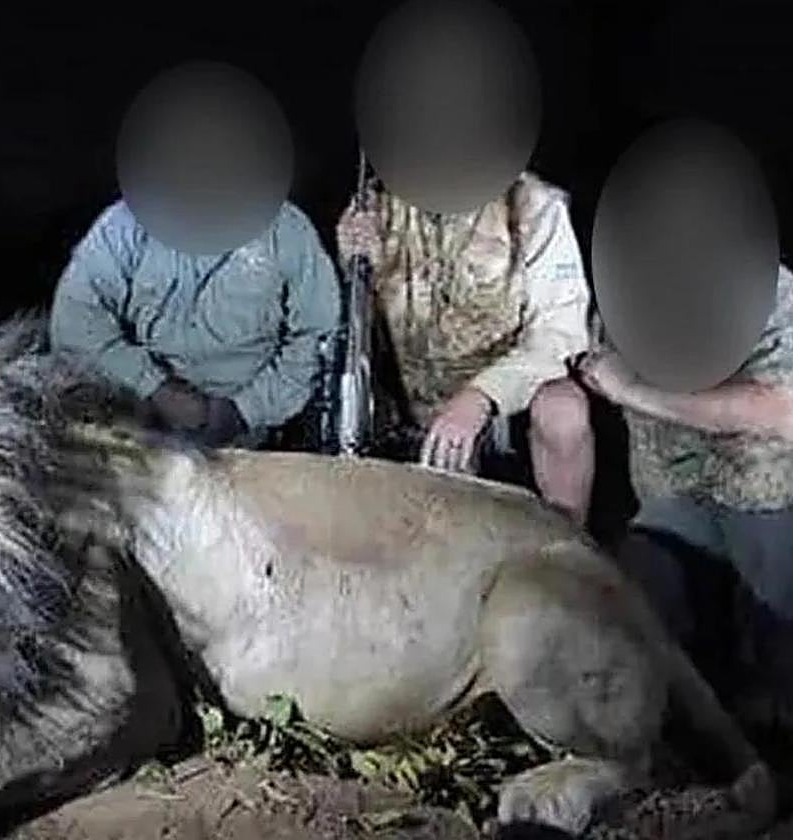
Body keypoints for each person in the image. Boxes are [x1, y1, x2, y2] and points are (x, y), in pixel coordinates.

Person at [577, 264, 793, 727]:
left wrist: (633, 390)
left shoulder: (766, 285)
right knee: (630, 623)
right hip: (667, 492)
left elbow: (778, 410)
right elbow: (590, 363)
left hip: (764, 494)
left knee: (776, 645)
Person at [336, 170, 595, 526]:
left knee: (563, 408)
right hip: (407, 409)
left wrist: (481, 396)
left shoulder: (536, 204)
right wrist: (352, 263)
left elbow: (558, 332)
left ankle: (566, 544)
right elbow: (356, 333)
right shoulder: (375, 203)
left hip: (505, 409)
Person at [49, 198, 341, 448]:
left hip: (248, 435)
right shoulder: (123, 224)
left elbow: (318, 335)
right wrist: (153, 387)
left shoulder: (287, 229)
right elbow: (75, 321)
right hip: (134, 421)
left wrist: (245, 411)